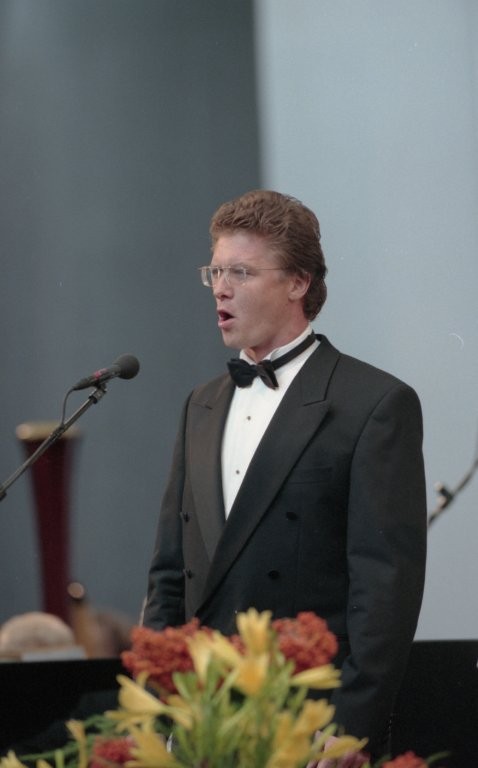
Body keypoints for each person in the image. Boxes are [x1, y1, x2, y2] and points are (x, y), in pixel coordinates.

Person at [142, 189, 427, 759]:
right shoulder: (201, 404)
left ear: (298, 282)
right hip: (202, 720)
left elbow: (385, 588)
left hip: (309, 723)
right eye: (215, 271)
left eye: (241, 272)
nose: (221, 288)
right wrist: (155, 709)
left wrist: (352, 722)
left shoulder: (373, 403)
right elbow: (170, 573)